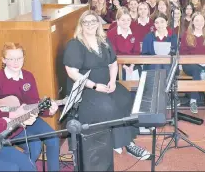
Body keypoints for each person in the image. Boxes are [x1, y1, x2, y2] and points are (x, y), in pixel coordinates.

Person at [63, 10, 151, 164]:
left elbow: (113, 64)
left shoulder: (103, 41)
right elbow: (71, 72)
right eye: (86, 22)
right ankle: (126, 144)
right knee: (107, 106)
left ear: (98, 24)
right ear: (81, 25)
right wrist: (95, 86)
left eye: (93, 21)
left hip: (106, 83)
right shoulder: (75, 44)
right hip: (86, 88)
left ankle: (122, 139)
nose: (90, 25)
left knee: (124, 98)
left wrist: (112, 81)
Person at [0, 42, 60, 171]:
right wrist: (11, 115)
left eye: (19, 58)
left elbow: (34, 103)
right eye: (11, 59)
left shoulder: (28, 76)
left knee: (53, 138)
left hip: (29, 118)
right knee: (35, 145)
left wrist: (49, 110)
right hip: (9, 124)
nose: (16, 62)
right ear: (3, 60)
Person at [180, 13, 205, 113]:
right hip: (189, 64)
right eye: (197, 20)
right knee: (196, 70)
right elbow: (183, 52)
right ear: (193, 22)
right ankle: (193, 101)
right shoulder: (187, 34)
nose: (199, 23)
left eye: (202, 21)